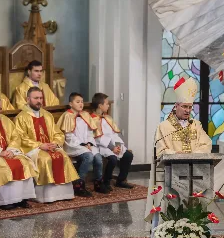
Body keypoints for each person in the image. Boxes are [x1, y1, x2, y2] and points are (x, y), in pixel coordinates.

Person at [145, 77, 212, 227]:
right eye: (184, 107)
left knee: (196, 203)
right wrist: (177, 154)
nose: (188, 110)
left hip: (195, 173)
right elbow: (160, 149)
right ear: (176, 106)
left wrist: (193, 154)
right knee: (172, 205)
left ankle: (195, 232)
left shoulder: (196, 125)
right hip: (171, 174)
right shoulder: (164, 127)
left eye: (190, 107)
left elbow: (206, 144)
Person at [15, 87, 79, 203]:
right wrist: (40, 145)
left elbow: (58, 133)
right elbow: (21, 138)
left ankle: (64, 194)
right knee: (45, 159)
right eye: (36, 98)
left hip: (50, 146)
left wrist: (55, 143)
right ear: (28, 99)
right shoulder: (21, 117)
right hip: (33, 149)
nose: (39, 100)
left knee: (63, 156)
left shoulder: (47, 115)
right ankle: (45, 196)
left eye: (41, 98)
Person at [57, 92, 109, 197]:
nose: (81, 104)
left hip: (87, 144)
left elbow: (90, 133)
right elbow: (69, 136)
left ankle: (98, 183)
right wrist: (82, 144)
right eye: (77, 102)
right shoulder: (67, 116)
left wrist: (89, 143)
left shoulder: (85, 115)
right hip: (73, 145)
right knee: (88, 157)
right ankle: (79, 184)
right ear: (71, 104)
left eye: (82, 102)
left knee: (98, 157)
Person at [90, 93, 133, 190]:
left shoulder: (108, 118)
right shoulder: (92, 119)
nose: (108, 105)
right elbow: (98, 138)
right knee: (112, 159)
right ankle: (106, 181)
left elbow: (114, 134)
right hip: (101, 146)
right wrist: (112, 148)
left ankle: (121, 180)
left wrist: (118, 146)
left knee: (128, 155)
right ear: (100, 106)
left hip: (113, 145)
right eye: (106, 104)